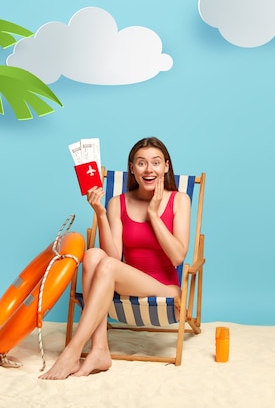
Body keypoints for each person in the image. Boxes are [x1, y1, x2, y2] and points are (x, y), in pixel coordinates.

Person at [40, 137, 191, 380]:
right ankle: (100, 349)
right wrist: (100, 213)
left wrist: (153, 213)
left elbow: (178, 256)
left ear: (166, 166)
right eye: (141, 163)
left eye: (155, 162)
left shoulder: (179, 200)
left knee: (106, 264)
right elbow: (112, 257)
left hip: (166, 289)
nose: (149, 169)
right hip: (126, 282)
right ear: (132, 168)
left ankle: (73, 350)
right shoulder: (117, 202)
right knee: (92, 255)